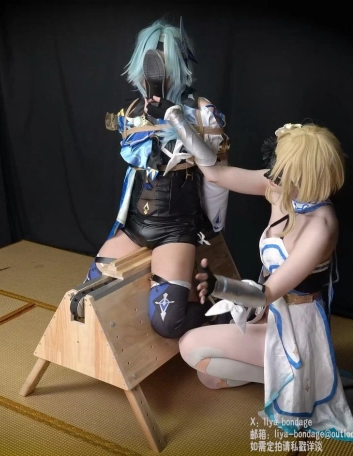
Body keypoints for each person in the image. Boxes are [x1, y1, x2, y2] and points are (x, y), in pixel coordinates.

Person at [178, 123, 353, 441]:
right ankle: (294, 377)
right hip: (269, 312)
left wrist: (219, 286)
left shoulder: (321, 225)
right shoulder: (279, 185)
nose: (272, 178)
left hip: (297, 325)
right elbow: (215, 174)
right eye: (276, 169)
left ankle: (301, 377)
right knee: (209, 377)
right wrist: (178, 122)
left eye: (283, 173)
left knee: (190, 346)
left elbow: (269, 291)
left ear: (305, 176)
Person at [80, 17, 231, 339]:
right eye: (149, 65)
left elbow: (217, 171)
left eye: (163, 66)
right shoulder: (132, 111)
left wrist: (214, 224)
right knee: (88, 296)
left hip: (176, 229)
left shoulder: (201, 111)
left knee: (167, 323)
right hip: (136, 224)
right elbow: (133, 172)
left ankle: (222, 310)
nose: (154, 74)